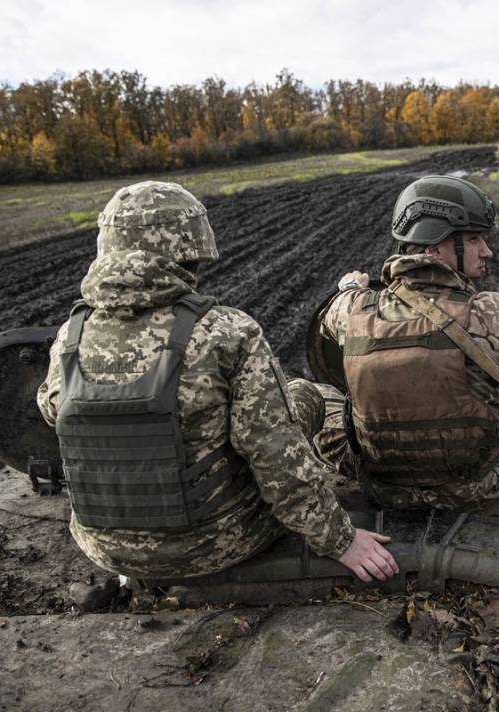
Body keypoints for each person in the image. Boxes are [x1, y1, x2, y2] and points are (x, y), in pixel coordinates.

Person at [36, 181, 397, 584]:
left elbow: (54, 414)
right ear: (189, 245)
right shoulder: (226, 332)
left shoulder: (70, 334)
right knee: (302, 394)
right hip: (217, 544)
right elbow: (276, 452)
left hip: (103, 550)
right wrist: (341, 540)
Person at [316, 175, 499, 514]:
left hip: (386, 494)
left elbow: (330, 324)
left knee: (317, 396)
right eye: (474, 240)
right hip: (480, 493)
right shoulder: (495, 311)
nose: (486, 251)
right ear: (434, 247)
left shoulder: (353, 309)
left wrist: (350, 288)